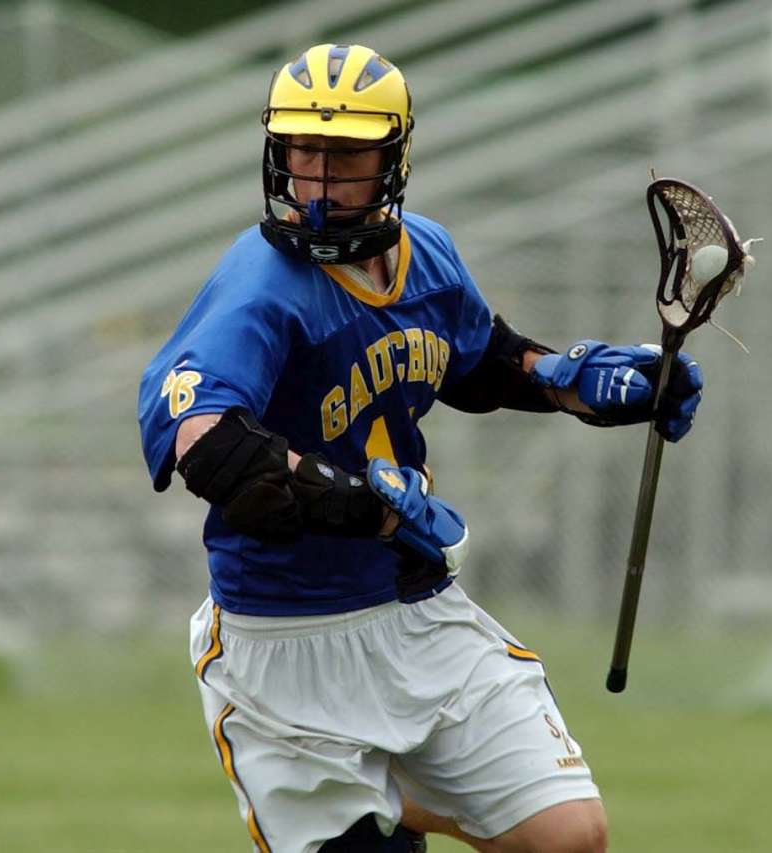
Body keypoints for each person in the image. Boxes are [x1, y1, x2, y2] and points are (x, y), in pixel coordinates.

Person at [137, 44, 702, 853]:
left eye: (345, 156)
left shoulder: (425, 253)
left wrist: (579, 382)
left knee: (571, 835)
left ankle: (393, 796)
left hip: (415, 612)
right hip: (285, 639)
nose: (318, 182)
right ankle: (382, 801)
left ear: (394, 159)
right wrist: (355, 503)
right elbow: (208, 442)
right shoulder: (261, 281)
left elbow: (482, 359)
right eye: (303, 151)